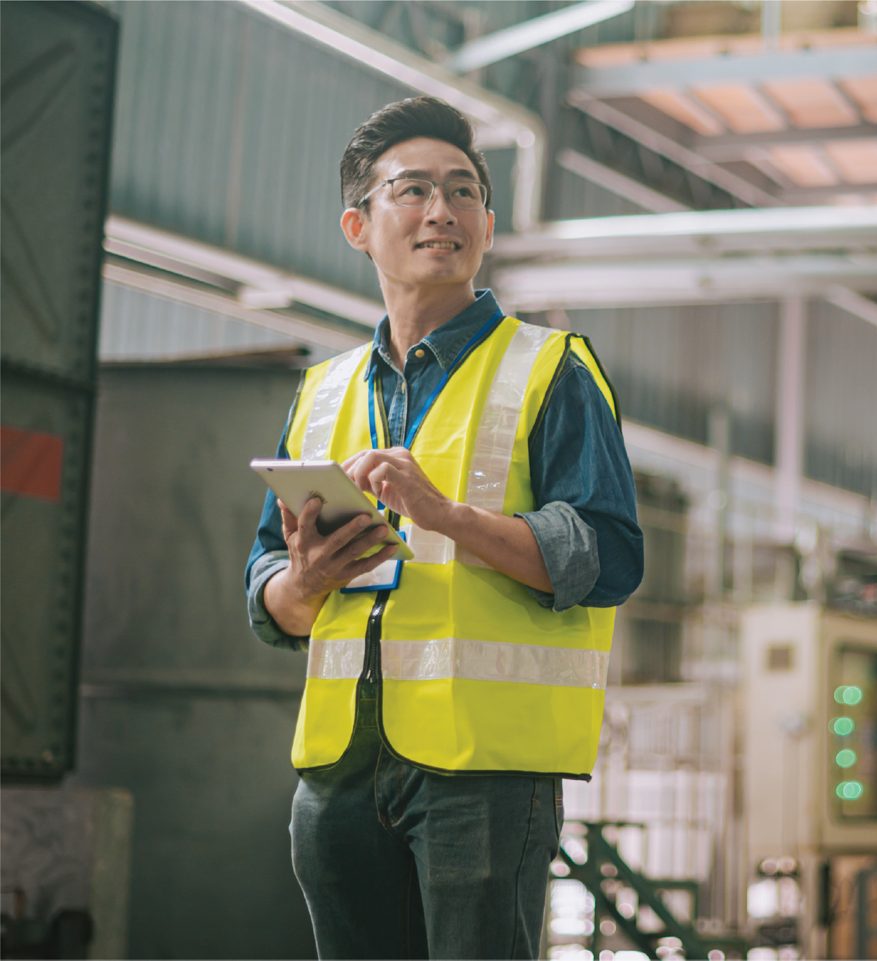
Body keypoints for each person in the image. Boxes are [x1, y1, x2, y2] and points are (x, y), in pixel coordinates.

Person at [244, 95, 643, 960]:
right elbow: (268, 593)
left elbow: (609, 556)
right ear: (358, 224)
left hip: (484, 777)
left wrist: (446, 518)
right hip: (338, 773)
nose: (442, 211)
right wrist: (304, 581)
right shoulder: (323, 391)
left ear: (488, 225)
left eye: (463, 192)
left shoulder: (552, 370)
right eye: (414, 190)